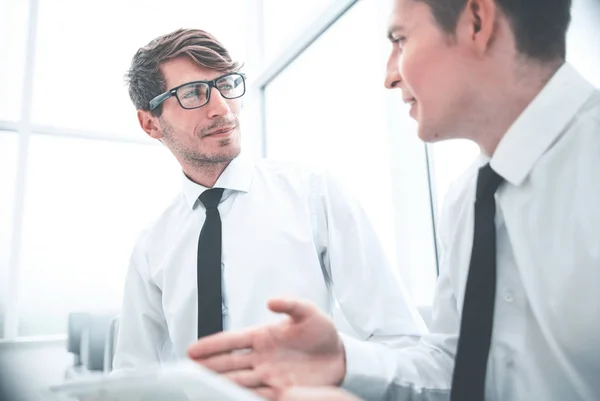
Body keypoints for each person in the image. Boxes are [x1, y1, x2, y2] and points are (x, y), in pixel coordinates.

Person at [187, 0, 600, 400]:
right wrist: (345, 363)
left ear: (477, 21)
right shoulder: (469, 198)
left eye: (400, 39)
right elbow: (455, 369)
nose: (389, 76)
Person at [112, 28, 427, 372]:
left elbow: (401, 340)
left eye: (227, 85)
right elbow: (132, 373)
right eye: (193, 93)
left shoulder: (314, 194)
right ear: (150, 123)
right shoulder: (151, 246)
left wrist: (332, 370)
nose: (221, 109)